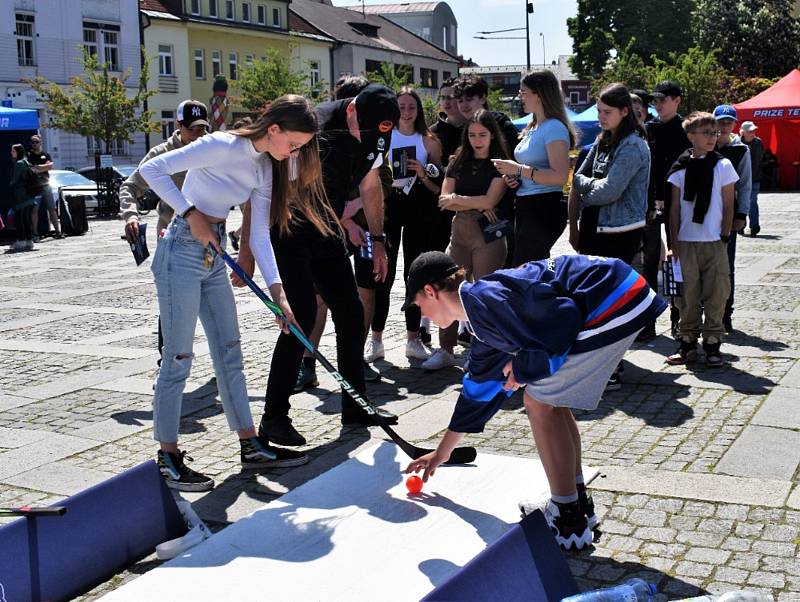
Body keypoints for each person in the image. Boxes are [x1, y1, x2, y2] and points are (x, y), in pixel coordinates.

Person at [402, 251, 666, 550]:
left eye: (418, 304)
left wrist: (527, 367)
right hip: (617, 294)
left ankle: (568, 522)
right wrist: (442, 453)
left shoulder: (490, 301)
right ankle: (576, 503)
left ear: (430, 291)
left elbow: (563, 317)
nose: (422, 313)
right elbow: (478, 390)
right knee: (549, 399)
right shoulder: (481, 314)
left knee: (538, 402)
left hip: (615, 298)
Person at [138, 95, 316, 491]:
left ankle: (250, 443)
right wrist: (190, 213)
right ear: (274, 129)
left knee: (230, 350)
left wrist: (278, 294)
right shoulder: (221, 144)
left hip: (213, 252)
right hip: (182, 248)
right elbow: (152, 170)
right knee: (178, 356)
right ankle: (167, 455)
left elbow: (259, 234)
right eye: (294, 143)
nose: (294, 153)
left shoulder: (265, 168)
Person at [236, 84, 400, 448]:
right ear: (352, 110)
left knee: (350, 310)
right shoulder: (314, 126)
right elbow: (260, 192)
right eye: (365, 129)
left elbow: (370, 185)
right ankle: (274, 418)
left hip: (326, 228)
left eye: (378, 134)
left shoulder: (378, 132)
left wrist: (379, 240)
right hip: (289, 227)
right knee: (301, 316)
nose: (368, 139)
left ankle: (355, 406)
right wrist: (247, 252)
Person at [568, 83, 650, 390]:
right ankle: (599, 362)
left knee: (610, 302)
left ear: (624, 112)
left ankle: (611, 367)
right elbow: (578, 179)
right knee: (591, 299)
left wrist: (586, 184)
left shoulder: (633, 144)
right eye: (599, 111)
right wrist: (588, 184)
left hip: (618, 232)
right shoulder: (603, 140)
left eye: (607, 112)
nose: (601, 117)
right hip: (594, 228)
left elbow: (608, 192)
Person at [120, 100, 210, 373]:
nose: (199, 135)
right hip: (171, 238)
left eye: (203, 129)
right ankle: (167, 360)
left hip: (206, 239)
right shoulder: (161, 154)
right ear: (179, 126)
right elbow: (130, 186)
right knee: (172, 301)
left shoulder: (210, 149)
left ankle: (220, 355)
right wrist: (130, 215)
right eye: (193, 129)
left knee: (209, 298)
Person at [362, 87, 443, 367]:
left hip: (418, 204)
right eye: (402, 107)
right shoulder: (383, 135)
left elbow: (438, 186)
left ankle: (413, 338)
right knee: (383, 271)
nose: (407, 112)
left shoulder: (430, 141)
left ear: (418, 110)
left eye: (411, 107)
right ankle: (376, 339)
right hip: (388, 204)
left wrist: (422, 173)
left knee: (415, 272)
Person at [423, 110, 509, 371]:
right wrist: (473, 203)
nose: (477, 140)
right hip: (459, 230)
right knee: (448, 288)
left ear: (492, 135)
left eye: (482, 134)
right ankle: (446, 349)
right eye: (472, 135)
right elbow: (443, 199)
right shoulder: (458, 160)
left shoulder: (500, 162)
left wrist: (459, 201)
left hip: (488, 235)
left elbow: (490, 201)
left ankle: (485, 353)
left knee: (484, 295)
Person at [665, 112, 737, 367]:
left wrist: (725, 235)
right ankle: (687, 343)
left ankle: (713, 343)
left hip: (714, 240)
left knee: (717, 293)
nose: (712, 138)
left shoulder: (723, 165)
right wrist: (673, 243)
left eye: (714, 133)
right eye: (706, 133)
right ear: (690, 136)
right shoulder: (680, 168)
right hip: (686, 240)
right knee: (687, 296)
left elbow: (729, 203)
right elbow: (673, 209)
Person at [490, 70, 575, 264]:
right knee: (527, 268)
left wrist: (518, 170)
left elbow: (559, 176)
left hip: (544, 207)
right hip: (526, 205)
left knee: (528, 269)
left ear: (539, 94)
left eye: (524, 91)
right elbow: (532, 170)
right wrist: (515, 178)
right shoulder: (534, 126)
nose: (521, 96)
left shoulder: (553, 127)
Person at [642, 81, 691, 341]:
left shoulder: (686, 130)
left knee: (676, 261)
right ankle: (647, 321)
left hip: (678, 204)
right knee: (649, 263)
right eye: (655, 101)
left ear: (677, 101)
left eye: (663, 99)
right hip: (649, 204)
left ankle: (678, 319)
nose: (658, 105)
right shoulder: (648, 129)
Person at [426, 77, 467, 347]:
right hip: (437, 210)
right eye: (443, 97)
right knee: (438, 271)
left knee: (464, 273)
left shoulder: (472, 130)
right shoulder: (432, 132)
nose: (448, 102)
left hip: (468, 208)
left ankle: (466, 325)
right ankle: (428, 326)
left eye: (453, 96)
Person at [713, 104, 752, 335]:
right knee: (705, 267)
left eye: (729, 121)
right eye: (721, 121)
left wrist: (741, 215)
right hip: (706, 216)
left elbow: (745, 185)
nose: (725, 125)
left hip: (729, 215)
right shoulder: (705, 145)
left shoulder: (741, 151)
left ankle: (726, 314)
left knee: (726, 267)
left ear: (734, 124)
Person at [27, 135, 61, 239]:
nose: (34, 144)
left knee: (52, 209)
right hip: (35, 187)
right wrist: (43, 167)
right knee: (34, 210)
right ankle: (35, 234)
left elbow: (50, 166)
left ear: (40, 142)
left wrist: (39, 167)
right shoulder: (29, 155)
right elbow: (32, 169)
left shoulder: (45, 154)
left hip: (46, 185)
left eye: (36, 142)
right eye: (32, 142)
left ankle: (57, 232)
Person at [9, 144, 37, 251]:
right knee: (26, 219)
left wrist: (11, 183)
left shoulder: (19, 163)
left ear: (18, 152)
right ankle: (29, 241)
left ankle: (21, 241)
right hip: (29, 195)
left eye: (13, 151)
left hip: (21, 196)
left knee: (19, 219)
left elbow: (15, 180)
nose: (11, 153)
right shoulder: (26, 161)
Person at [739, 121, 764, 237]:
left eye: (753, 130)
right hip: (739, 179)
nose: (752, 133)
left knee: (752, 202)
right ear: (743, 132)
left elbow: (759, 160)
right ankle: (741, 225)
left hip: (754, 178)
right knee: (740, 202)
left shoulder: (758, 143)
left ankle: (754, 227)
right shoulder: (737, 143)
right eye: (750, 131)